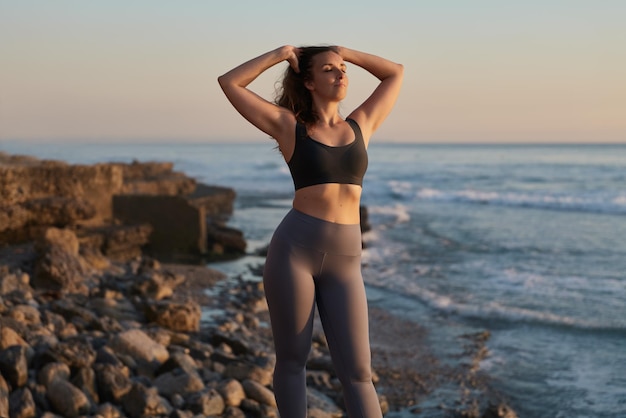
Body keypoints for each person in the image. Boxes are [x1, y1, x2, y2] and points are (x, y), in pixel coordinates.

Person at [218, 45, 403, 418]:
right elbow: (229, 82)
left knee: (359, 373)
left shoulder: (361, 123)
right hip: (295, 252)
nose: (341, 74)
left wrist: (346, 52)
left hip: (346, 263)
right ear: (308, 81)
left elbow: (395, 73)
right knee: (292, 360)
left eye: (343, 69)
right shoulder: (291, 127)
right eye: (329, 69)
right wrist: (281, 53)